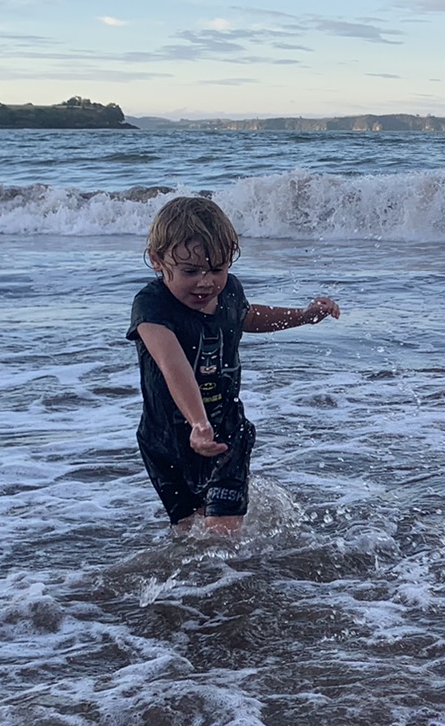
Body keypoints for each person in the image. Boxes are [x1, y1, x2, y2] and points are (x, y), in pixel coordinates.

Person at [128, 196, 341, 534]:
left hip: (227, 432)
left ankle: (241, 575)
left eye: (217, 269)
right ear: (157, 260)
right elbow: (173, 365)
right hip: (165, 440)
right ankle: (210, 587)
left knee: (222, 533)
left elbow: (249, 316)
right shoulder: (151, 308)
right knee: (188, 532)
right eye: (190, 271)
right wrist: (197, 423)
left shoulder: (228, 294)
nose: (205, 282)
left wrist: (302, 316)